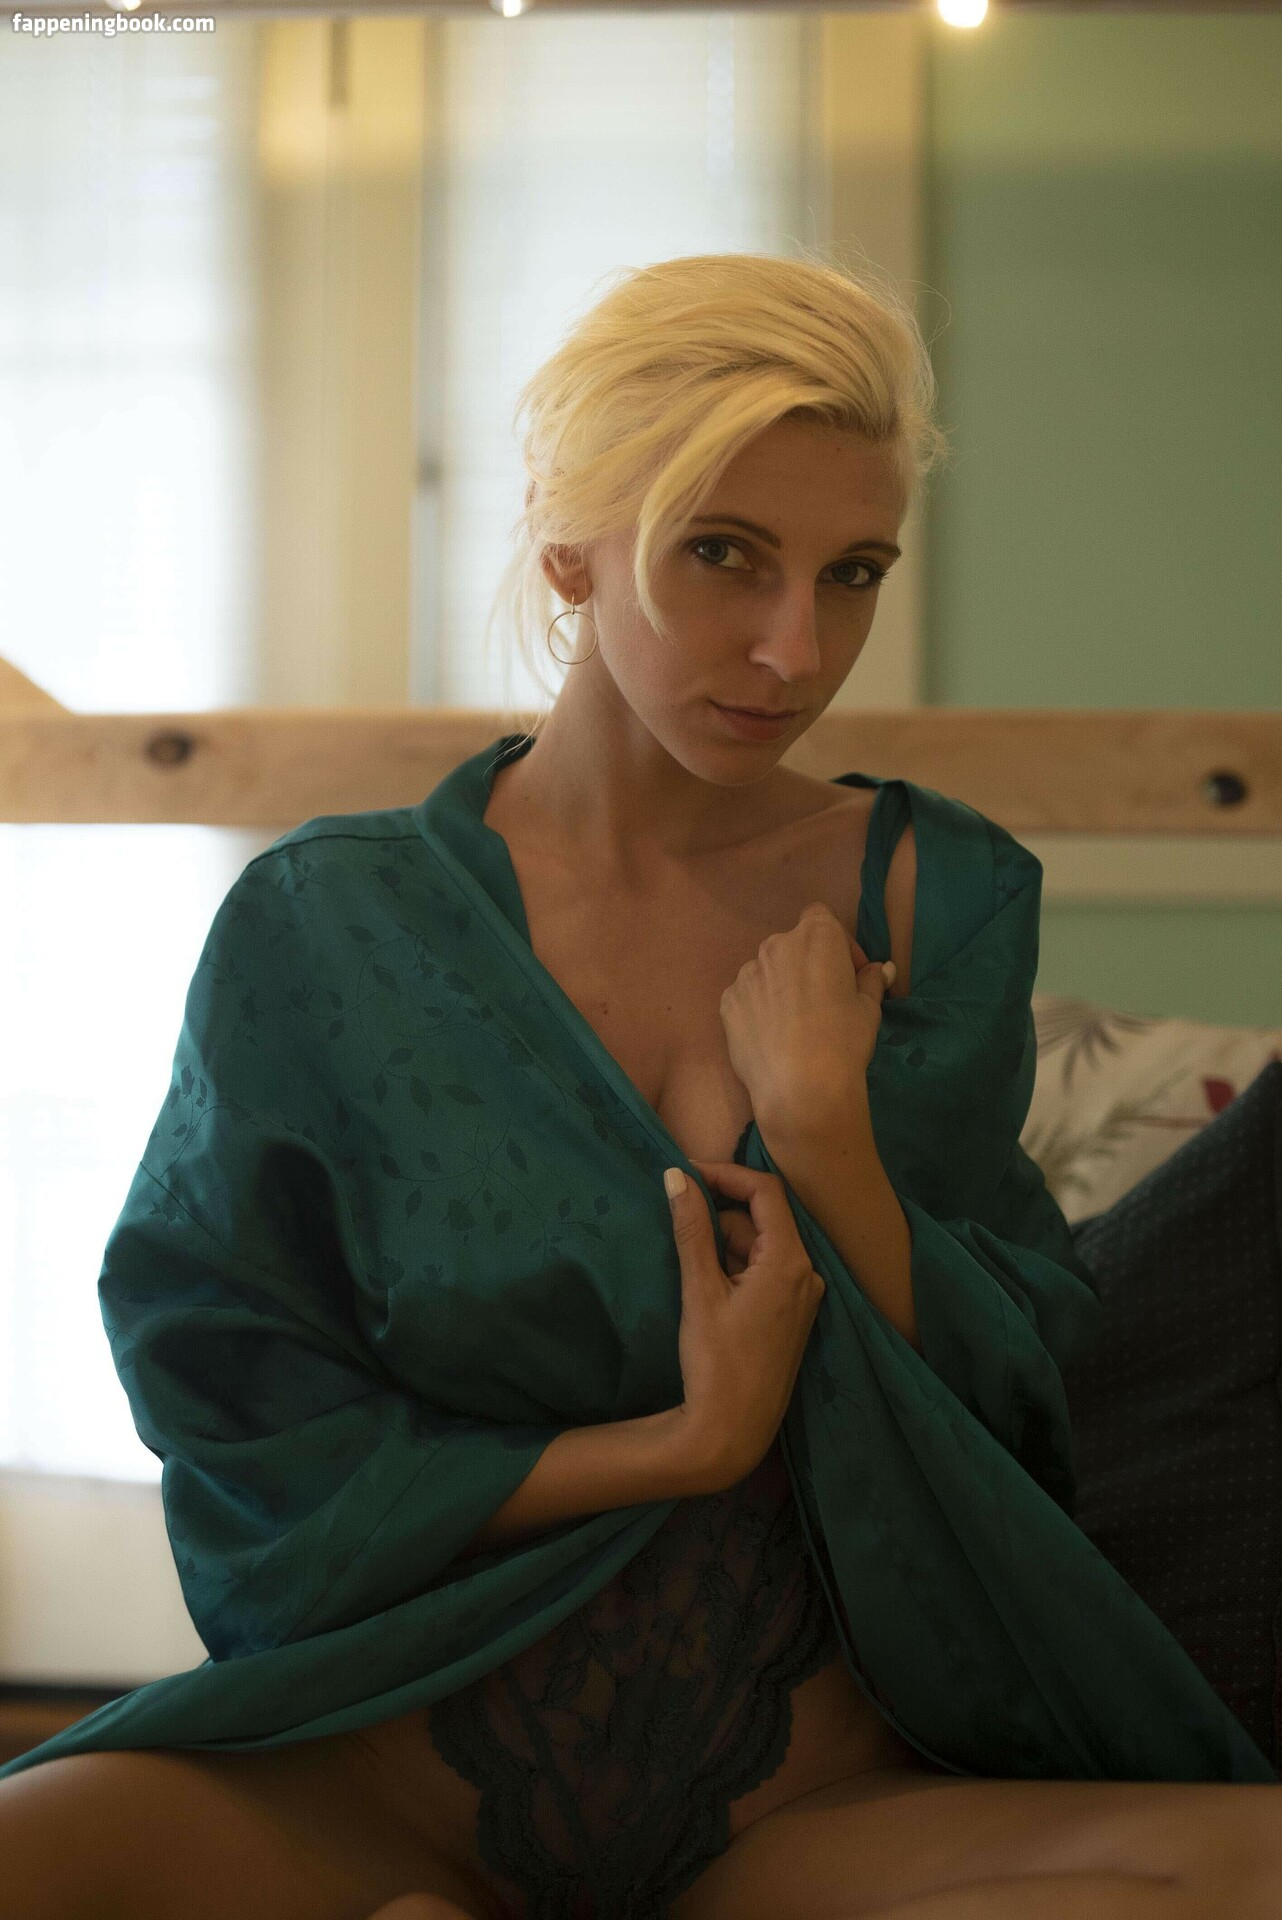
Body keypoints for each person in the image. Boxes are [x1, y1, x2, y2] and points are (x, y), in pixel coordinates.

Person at [1, 251, 1279, 1920]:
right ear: (569, 548)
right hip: (390, 1775)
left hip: (801, 1800)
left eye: (851, 574)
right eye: (722, 554)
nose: (793, 649)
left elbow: (1017, 1401)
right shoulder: (326, 924)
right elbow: (240, 1406)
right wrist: (679, 1444)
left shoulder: (931, 892)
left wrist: (829, 1148)